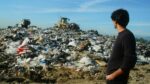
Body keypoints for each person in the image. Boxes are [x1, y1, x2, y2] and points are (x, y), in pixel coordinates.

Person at [106, 9, 137, 84]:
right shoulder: (122, 34)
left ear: (116, 21)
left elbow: (130, 60)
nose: (112, 22)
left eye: (112, 20)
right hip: (114, 78)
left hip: (117, 79)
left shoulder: (127, 36)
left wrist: (113, 75)